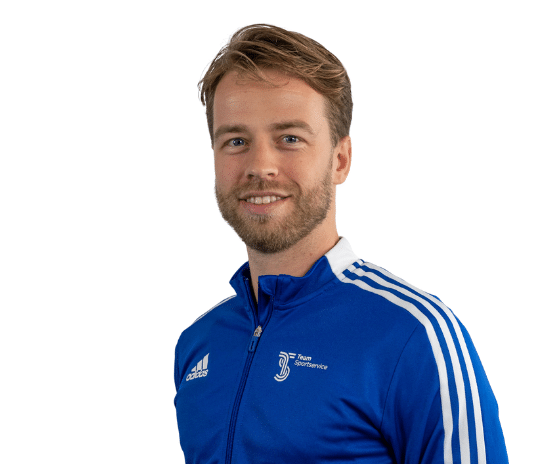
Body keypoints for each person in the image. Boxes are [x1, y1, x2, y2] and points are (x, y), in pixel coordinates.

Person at [173, 24, 507, 464]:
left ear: (340, 159)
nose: (260, 166)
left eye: (290, 139)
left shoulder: (414, 335)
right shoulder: (199, 344)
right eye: (236, 141)